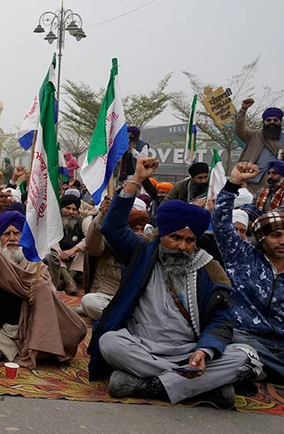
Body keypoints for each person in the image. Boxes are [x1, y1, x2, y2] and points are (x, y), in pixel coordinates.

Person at [89, 157, 258, 409]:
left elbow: (221, 320)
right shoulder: (142, 252)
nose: (183, 246)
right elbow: (112, 227)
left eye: (190, 240)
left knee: (248, 358)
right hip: (141, 347)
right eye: (176, 237)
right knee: (109, 342)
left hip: (190, 351)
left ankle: (148, 385)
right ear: (161, 234)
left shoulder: (209, 267)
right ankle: (200, 386)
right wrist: (135, 180)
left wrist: (204, 352)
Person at [0, 196, 86, 365]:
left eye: (17, 233)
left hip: (23, 328)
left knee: (73, 323)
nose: (12, 238)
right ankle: (12, 348)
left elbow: (50, 302)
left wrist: (41, 289)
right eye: (6, 234)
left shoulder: (35, 265)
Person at [212, 161, 284, 383]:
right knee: (230, 337)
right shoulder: (241, 256)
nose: (283, 241)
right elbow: (221, 224)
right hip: (247, 337)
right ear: (262, 238)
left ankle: (265, 370)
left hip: (280, 342)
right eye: (276, 235)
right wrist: (234, 183)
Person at [80, 197, 148, 320]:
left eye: (140, 229)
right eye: (134, 229)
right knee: (89, 301)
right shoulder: (108, 239)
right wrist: (102, 216)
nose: (138, 233)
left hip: (132, 299)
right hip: (107, 296)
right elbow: (92, 246)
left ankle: (118, 317)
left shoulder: (145, 244)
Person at [234, 99, 284, 193]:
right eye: (268, 120)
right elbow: (239, 129)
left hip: (280, 181)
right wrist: (243, 110)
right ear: (264, 122)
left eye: (275, 120)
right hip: (254, 182)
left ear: (280, 122)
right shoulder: (254, 135)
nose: (272, 122)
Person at [58, 193, 86, 295]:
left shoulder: (81, 222)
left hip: (75, 261)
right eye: (67, 208)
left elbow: (89, 239)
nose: (71, 212)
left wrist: (72, 251)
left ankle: (67, 281)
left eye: (74, 209)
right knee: (51, 248)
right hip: (59, 262)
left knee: (85, 249)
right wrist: (61, 253)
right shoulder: (54, 222)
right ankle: (69, 281)